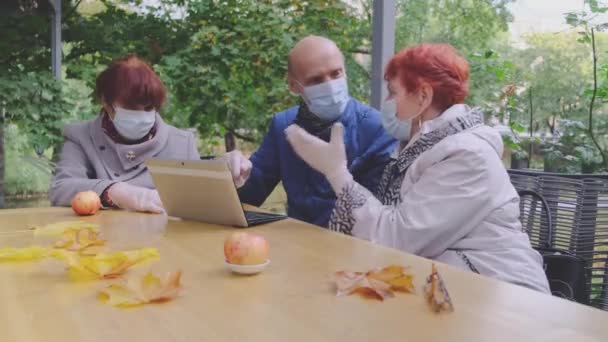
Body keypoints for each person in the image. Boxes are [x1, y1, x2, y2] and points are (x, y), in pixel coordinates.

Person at [285, 43, 550, 293]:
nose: (387, 102)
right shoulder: (424, 148)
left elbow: (395, 239)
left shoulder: (468, 157)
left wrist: (337, 173)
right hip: (456, 287)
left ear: (423, 95)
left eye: (393, 92)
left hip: (505, 299)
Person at [222, 36, 397, 227]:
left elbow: (377, 216)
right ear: (294, 86)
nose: (329, 85)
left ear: (345, 72)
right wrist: (232, 173)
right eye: (316, 80)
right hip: (298, 244)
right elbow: (251, 193)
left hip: (354, 246)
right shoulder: (283, 125)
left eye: (336, 74)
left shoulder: (378, 129)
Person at [50, 55, 200, 213]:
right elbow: (60, 189)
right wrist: (112, 191)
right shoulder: (81, 137)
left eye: (149, 108)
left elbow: (204, 201)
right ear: (107, 104)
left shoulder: (182, 144)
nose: (141, 116)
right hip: (100, 235)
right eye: (131, 108)